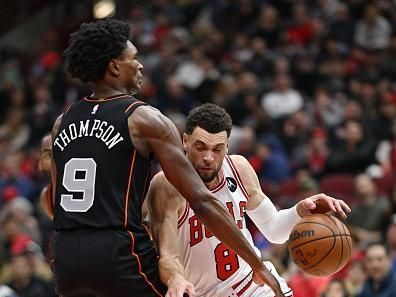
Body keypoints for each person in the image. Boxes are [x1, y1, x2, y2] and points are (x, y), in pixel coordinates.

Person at [50, 19, 285, 297]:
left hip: (65, 254)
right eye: (134, 58)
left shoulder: (61, 122)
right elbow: (201, 200)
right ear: (114, 66)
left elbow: (57, 201)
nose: (140, 65)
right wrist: (257, 264)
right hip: (117, 251)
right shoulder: (143, 118)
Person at [146, 103, 351, 297]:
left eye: (217, 149)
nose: (208, 157)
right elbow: (168, 255)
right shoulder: (167, 185)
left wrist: (301, 210)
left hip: (252, 286)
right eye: (201, 147)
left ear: (227, 147)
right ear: (185, 141)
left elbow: (274, 230)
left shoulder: (238, 169)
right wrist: (175, 278)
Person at [38, 133, 53, 219]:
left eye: (60, 153)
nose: (56, 160)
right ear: (40, 163)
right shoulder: (46, 196)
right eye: (49, 155)